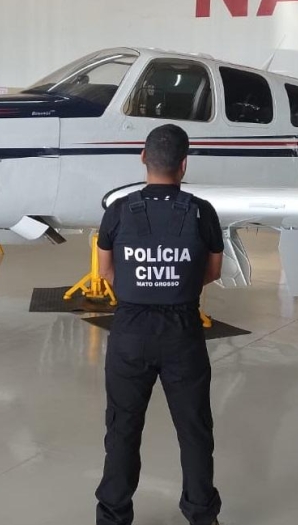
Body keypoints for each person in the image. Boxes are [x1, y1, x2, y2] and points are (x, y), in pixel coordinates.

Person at [95, 124, 224, 525]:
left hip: (129, 333)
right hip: (182, 334)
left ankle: (112, 517)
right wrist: (174, 286)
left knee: (122, 429)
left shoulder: (118, 210)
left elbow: (106, 271)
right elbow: (212, 271)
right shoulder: (202, 212)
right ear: (184, 165)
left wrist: (143, 286)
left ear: (143, 159)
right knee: (194, 430)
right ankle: (201, 515)